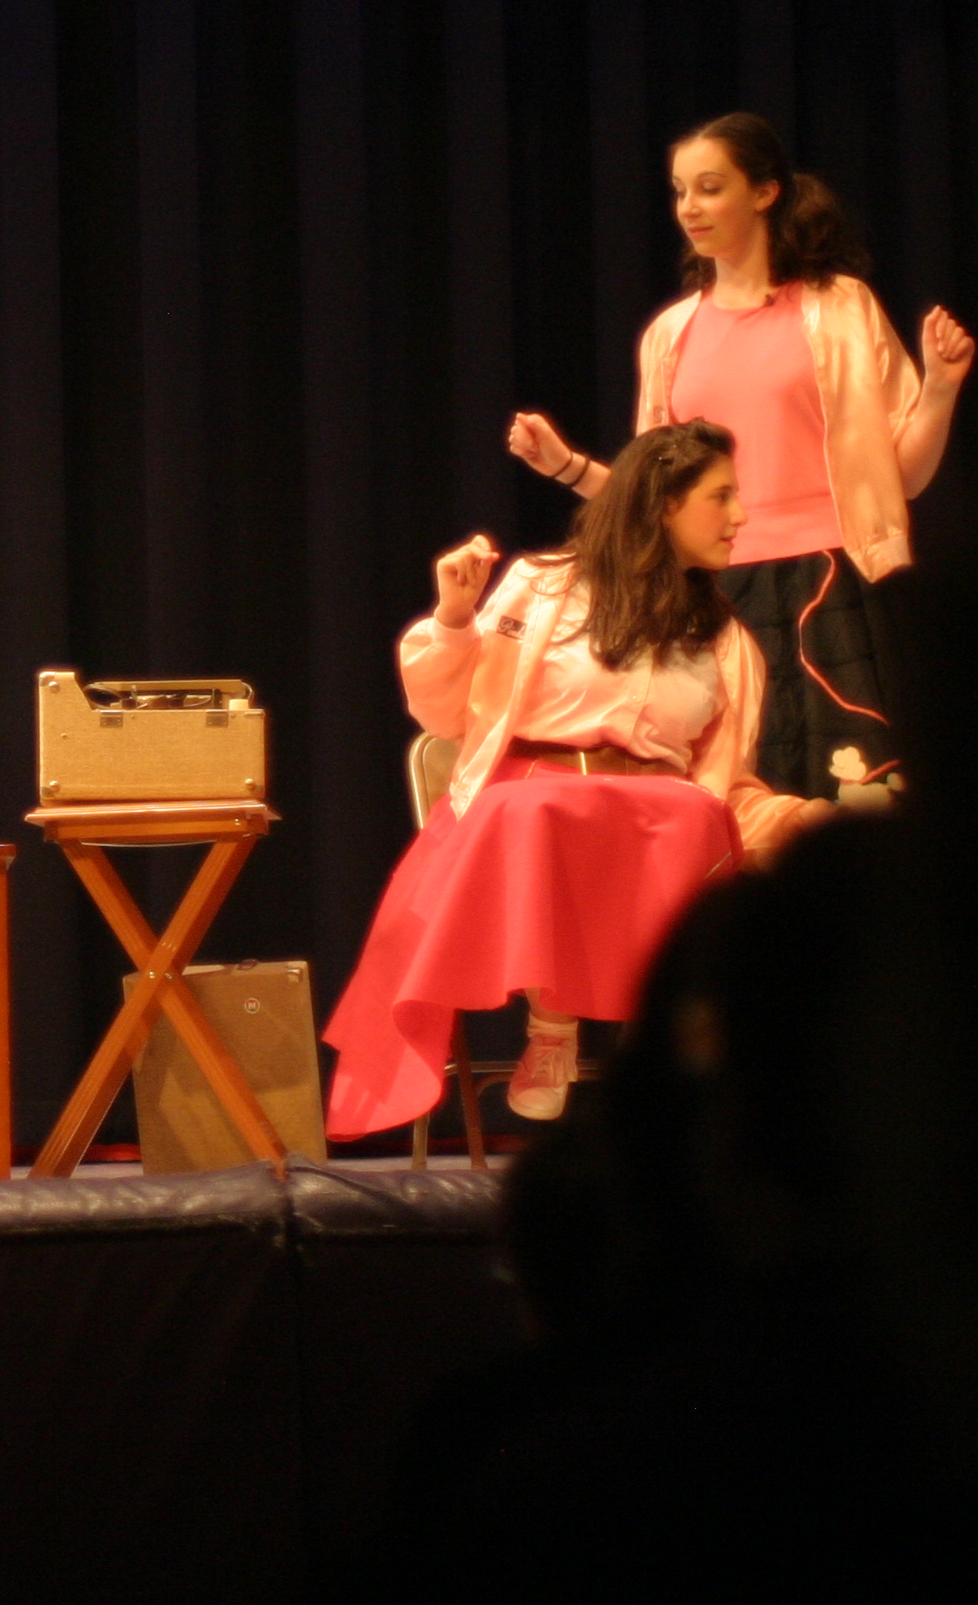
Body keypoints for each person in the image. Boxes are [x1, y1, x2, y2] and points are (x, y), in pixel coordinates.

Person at [325, 422, 824, 1142]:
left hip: (658, 816)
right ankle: (551, 1028)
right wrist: (456, 619)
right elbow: (445, 713)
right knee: (543, 807)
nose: (740, 516)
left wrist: (795, 819)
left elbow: (723, 785)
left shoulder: (725, 639)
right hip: (538, 791)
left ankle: (664, 1057)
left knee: (693, 820)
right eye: (721, 497)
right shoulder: (544, 587)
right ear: (664, 504)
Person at [507, 114, 973, 802]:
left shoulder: (840, 308)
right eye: (679, 191)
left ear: (764, 192)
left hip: (833, 585)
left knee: (855, 793)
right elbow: (653, 500)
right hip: (714, 598)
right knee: (732, 800)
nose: (689, 208)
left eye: (710, 187)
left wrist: (939, 388)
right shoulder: (670, 334)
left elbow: (900, 477)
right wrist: (566, 466)